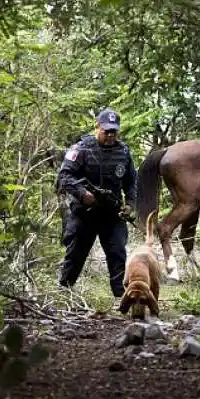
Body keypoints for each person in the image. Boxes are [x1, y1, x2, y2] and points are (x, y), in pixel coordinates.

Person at [55, 108, 138, 299]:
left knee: (117, 253)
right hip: (85, 213)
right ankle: (64, 293)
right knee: (75, 255)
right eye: (106, 131)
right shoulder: (81, 149)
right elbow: (65, 176)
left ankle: (121, 298)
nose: (110, 135)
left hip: (112, 214)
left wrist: (131, 204)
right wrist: (82, 193)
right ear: (97, 127)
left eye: (113, 132)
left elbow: (131, 181)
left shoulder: (123, 152)